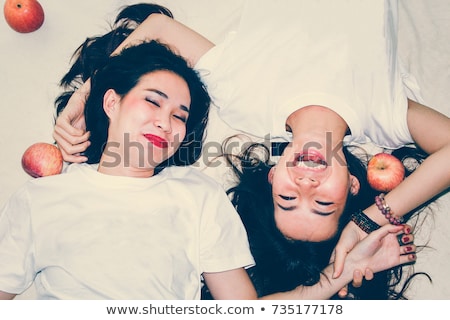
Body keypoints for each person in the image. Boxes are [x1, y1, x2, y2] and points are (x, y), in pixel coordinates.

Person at [0, 20, 416, 300]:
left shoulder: (197, 193)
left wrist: (341, 272)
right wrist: (81, 97)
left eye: (179, 116)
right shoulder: (41, 196)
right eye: (153, 102)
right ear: (111, 102)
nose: (166, 123)